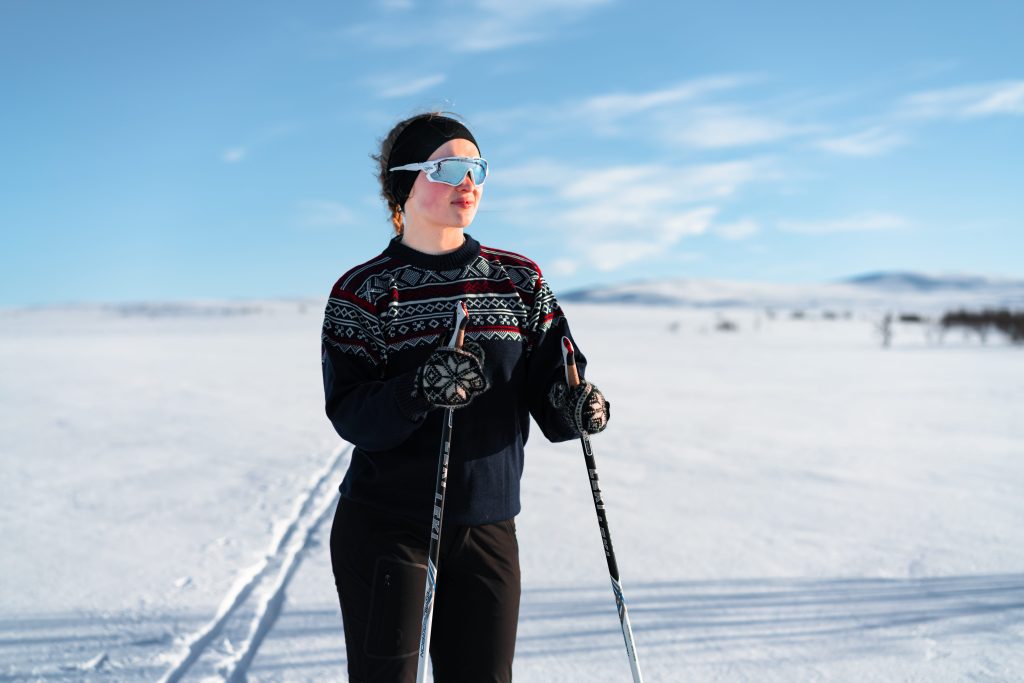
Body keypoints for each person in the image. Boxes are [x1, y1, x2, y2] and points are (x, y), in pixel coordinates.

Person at [320, 110, 611, 682]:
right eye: (450, 167)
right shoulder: (365, 291)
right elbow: (352, 413)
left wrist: (575, 407)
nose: (469, 182)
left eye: (477, 167)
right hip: (387, 527)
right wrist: (420, 389)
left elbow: (556, 385)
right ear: (404, 183)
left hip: (488, 525)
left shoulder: (518, 280)